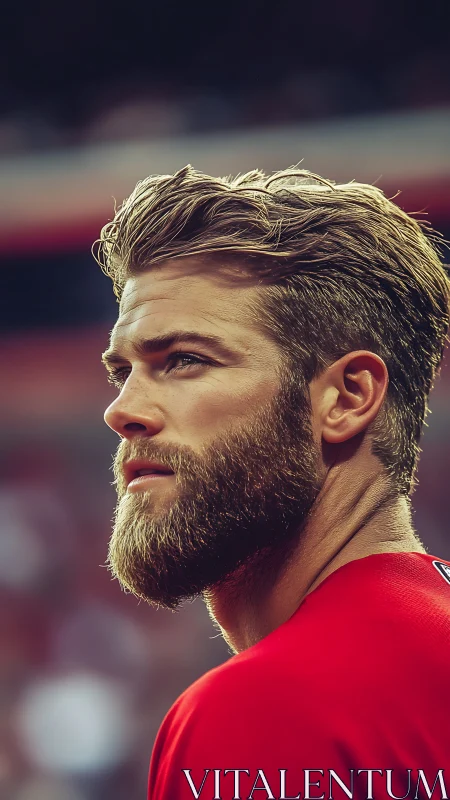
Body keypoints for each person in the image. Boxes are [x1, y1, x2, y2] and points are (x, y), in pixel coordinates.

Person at [94, 166, 450, 800]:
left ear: (346, 396)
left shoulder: (267, 709)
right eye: (123, 370)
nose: (121, 410)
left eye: (184, 360)